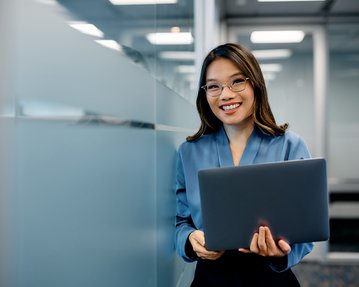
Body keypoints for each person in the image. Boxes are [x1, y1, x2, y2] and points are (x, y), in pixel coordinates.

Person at [174, 43, 313, 286]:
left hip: (271, 278)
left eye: (237, 81)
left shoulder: (290, 146)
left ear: (255, 84)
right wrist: (189, 238)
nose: (225, 94)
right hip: (211, 278)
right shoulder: (188, 152)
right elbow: (178, 221)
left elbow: (308, 227)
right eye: (214, 86)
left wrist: (282, 253)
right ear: (204, 93)